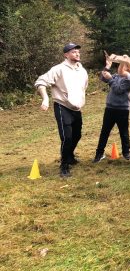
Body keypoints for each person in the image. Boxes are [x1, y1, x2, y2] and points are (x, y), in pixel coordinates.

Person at [35, 43, 88, 177]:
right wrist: (45, 99)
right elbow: (40, 82)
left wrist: (79, 102)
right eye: (73, 52)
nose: (77, 54)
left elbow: (83, 88)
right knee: (67, 137)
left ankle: (69, 156)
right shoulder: (58, 69)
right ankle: (64, 166)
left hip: (76, 108)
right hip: (62, 106)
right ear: (66, 55)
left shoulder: (82, 70)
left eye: (78, 52)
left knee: (77, 135)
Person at [93, 58, 130, 162]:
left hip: (122, 109)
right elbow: (102, 77)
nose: (120, 68)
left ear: (128, 68)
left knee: (124, 132)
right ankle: (99, 154)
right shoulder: (115, 76)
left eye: (123, 66)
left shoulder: (129, 79)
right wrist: (107, 66)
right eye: (120, 65)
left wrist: (110, 79)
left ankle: (126, 153)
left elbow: (118, 90)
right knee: (104, 132)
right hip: (110, 108)